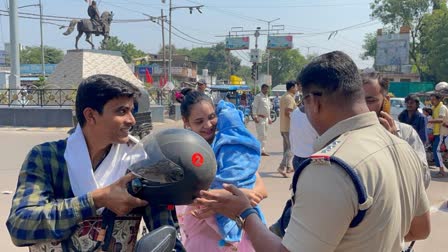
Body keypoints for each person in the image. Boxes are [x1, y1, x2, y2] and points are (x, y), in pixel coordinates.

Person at [194, 51, 430, 252]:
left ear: (314, 102)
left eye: (303, 104)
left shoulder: (331, 168)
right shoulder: (401, 147)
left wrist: (244, 212)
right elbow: (420, 229)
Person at [6, 75, 185, 251]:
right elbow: (20, 226)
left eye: (132, 111)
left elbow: (165, 233)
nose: (132, 120)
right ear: (91, 115)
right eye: (122, 111)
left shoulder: (140, 163)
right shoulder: (47, 157)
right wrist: (96, 200)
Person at [176, 91, 267, 251]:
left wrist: (237, 196)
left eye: (211, 117)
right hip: (203, 237)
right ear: (186, 121)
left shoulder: (230, 149)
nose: (208, 125)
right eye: (199, 121)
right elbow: (184, 196)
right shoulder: (182, 153)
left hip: (239, 237)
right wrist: (239, 196)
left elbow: (261, 190)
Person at [361, 71, 431, 189]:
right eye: (358, 101)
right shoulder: (344, 134)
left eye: (370, 101)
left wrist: (395, 142)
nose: (362, 107)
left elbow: (423, 181)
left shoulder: (406, 133)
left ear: (386, 101)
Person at [277, 81, 297, 177]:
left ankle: (288, 167)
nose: (297, 89)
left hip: (284, 126)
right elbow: (288, 112)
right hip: (289, 127)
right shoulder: (289, 98)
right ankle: (282, 167)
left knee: (286, 149)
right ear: (292, 87)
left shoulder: (285, 96)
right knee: (291, 148)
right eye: (296, 87)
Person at [427, 93, 448, 177]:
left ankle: (442, 171)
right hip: (436, 132)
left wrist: (428, 121)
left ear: (439, 100)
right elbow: (433, 119)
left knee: (437, 151)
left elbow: (440, 120)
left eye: (433, 99)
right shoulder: (433, 108)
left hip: (441, 133)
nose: (432, 101)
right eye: (431, 99)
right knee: (435, 150)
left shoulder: (442, 108)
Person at [252, 84, 272, 156]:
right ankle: (258, 150)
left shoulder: (267, 97)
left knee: (265, 136)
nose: (267, 90)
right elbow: (254, 106)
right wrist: (255, 116)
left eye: (267, 89)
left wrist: (269, 118)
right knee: (261, 135)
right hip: (260, 118)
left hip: (266, 119)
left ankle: (262, 150)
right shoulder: (258, 96)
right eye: (265, 89)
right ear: (262, 89)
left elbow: (268, 109)